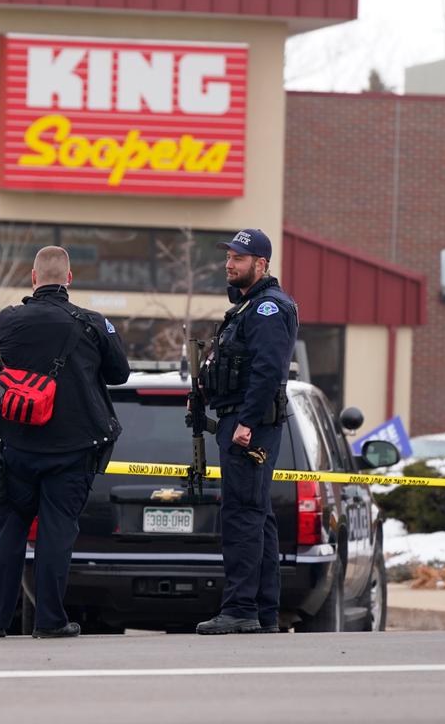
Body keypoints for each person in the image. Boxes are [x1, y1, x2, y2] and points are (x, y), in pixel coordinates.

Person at [0, 245, 131, 638]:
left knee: (8, 531)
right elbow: (120, 374)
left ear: (33, 277)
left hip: (18, 447)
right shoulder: (93, 324)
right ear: (69, 279)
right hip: (72, 451)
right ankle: (50, 620)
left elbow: (7, 350)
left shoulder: (7, 322)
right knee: (56, 534)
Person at [195, 228, 298, 635]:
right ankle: (263, 611)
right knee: (259, 518)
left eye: (238, 258)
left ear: (261, 263)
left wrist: (247, 423)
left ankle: (240, 610)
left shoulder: (269, 309)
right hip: (238, 419)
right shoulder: (248, 307)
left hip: (249, 426)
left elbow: (268, 371)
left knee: (242, 516)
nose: (229, 264)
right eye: (229, 257)